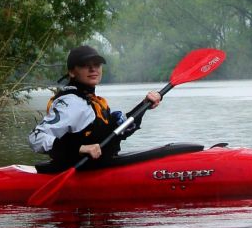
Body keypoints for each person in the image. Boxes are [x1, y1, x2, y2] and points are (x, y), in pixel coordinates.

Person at [28, 45, 161, 168]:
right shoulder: (70, 103)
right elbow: (36, 138)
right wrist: (80, 149)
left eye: (97, 64)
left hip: (100, 167)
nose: (93, 69)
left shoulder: (93, 101)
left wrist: (144, 105)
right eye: (85, 65)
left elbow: (118, 131)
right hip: (79, 174)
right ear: (72, 72)